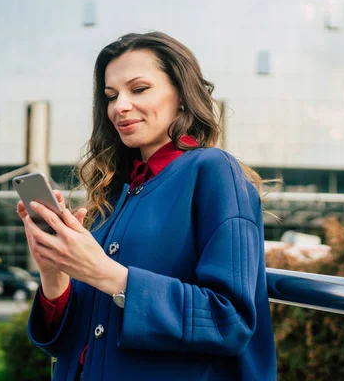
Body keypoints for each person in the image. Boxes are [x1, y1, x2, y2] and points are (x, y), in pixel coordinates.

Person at [17, 31, 277, 380]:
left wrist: (105, 273)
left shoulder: (213, 170)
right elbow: (65, 340)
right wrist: (55, 271)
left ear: (182, 95)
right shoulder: (113, 193)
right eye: (111, 96)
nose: (119, 107)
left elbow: (229, 319)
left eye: (138, 89)